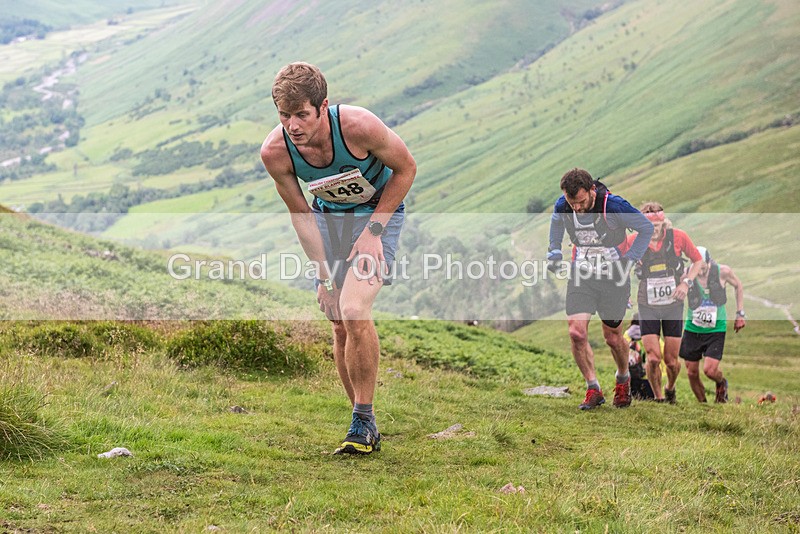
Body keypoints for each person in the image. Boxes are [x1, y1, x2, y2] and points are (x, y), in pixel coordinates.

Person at [260, 62, 416, 454]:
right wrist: (323, 274)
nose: (293, 125)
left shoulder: (359, 127)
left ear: (323, 106)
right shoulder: (276, 152)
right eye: (284, 115)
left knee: (354, 308)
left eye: (301, 115)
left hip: (379, 214)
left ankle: (362, 421)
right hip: (329, 222)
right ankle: (363, 421)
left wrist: (374, 232)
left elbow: (406, 168)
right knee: (338, 321)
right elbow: (301, 214)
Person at [547, 168, 653, 410]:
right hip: (582, 274)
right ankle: (593, 387)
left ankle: (623, 379)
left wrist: (630, 259)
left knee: (613, 337)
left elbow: (645, 228)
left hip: (614, 278)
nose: (577, 208)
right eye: (572, 203)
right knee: (576, 332)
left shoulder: (613, 206)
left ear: (592, 190)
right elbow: (556, 223)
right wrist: (553, 249)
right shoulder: (564, 206)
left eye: (582, 202)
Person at [619, 202, 703, 403]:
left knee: (672, 362)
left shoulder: (679, 237)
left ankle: (670, 387)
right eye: (649, 227)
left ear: (664, 223)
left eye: (657, 226)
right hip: (647, 304)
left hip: (673, 305)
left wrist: (686, 284)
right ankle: (658, 397)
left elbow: (698, 260)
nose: (653, 231)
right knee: (654, 357)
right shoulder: (633, 240)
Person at [680, 246, 746, 403]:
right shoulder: (686, 272)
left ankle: (721, 383)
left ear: (709, 262)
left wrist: (740, 313)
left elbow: (738, 285)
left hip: (716, 328)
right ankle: (703, 404)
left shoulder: (722, 271)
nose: (699, 272)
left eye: (702, 267)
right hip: (693, 327)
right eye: (696, 266)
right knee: (691, 372)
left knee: (709, 370)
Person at [625, 314, 655, 400]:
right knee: (649, 397)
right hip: (646, 375)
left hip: (630, 374)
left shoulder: (626, 334)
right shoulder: (649, 334)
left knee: (634, 395)